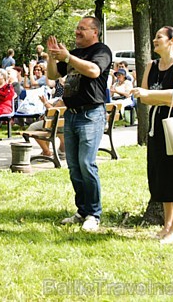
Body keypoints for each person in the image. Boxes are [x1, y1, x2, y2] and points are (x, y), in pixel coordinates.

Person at [47, 16, 111, 232]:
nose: (77, 32)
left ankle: (94, 213)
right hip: (71, 114)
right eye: (76, 29)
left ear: (95, 31)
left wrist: (67, 57)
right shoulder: (73, 54)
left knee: (86, 163)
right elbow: (53, 74)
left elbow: (93, 71)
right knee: (74, 166)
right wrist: (52, 56)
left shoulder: (102, 50)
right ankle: (82, 211)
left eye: (82, 29)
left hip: (91, 114)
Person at [132, 26, 173, 245]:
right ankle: (167, 226)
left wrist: (150, 94)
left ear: (172, 41)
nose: (155, 40)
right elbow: (145, 98)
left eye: (159, 37)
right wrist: (153, 96)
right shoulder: (152, 65)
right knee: (161, 172)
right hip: (157, 123)